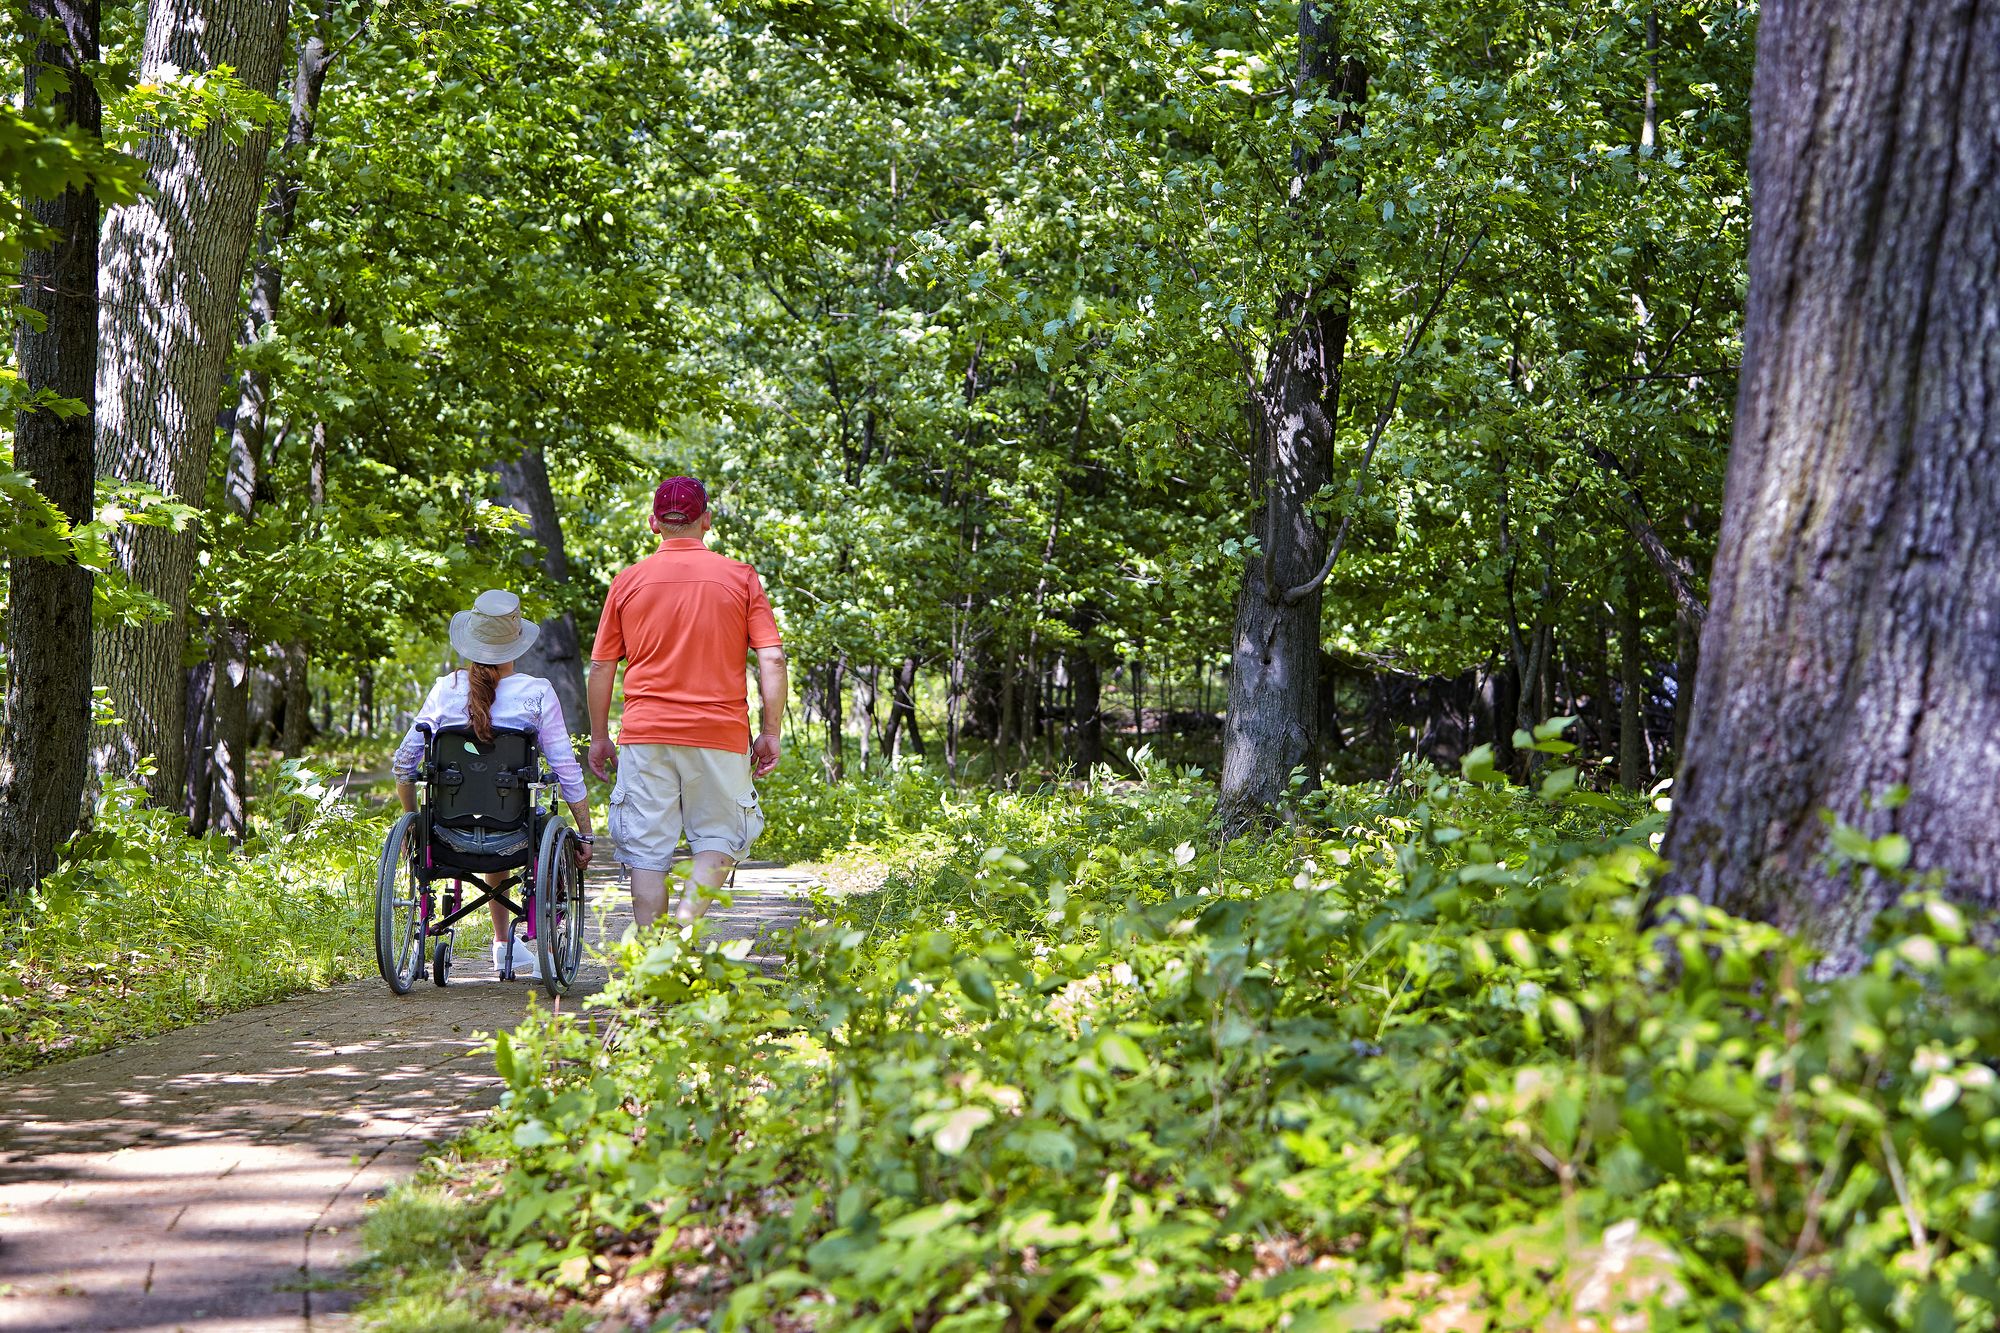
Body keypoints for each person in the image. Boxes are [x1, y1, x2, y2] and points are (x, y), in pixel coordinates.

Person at [588, 476, 787, 929]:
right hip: (719, 734)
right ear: (707, 520)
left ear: (654, 523)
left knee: (646, 852)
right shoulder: (740, 577)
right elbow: (772, 658)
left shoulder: (627, 581)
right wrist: (770, 732)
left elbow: (601, 667)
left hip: (645, 734)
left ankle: (649, 957)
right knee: (717, 840)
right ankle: (681, 936)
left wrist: (600, 736)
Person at [393, 589, 594, 979]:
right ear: (515, 642)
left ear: (471, 639)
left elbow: (404, 764)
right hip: (516, 834)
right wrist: (584, 833)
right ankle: (540, 948)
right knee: (522, 815)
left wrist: (414, 824)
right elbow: (567, 770)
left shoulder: (445, 689)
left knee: (487, 809)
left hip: (447, 834)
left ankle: (503, 945)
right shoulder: (537, 693)